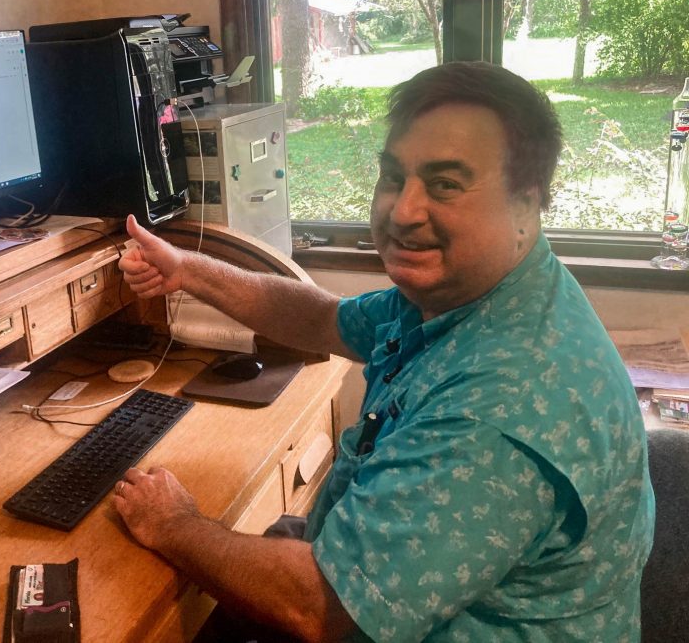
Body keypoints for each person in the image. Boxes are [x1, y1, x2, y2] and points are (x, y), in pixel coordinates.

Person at [113, 61, 655, 642]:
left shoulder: (503, 403)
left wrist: (175, 524)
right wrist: (187, 268)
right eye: (394, 177)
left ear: (526, 206)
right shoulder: (468, 294)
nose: (402, 211)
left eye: (445, 184)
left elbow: (321, 608)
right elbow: (322, 318)